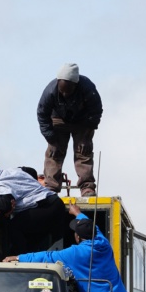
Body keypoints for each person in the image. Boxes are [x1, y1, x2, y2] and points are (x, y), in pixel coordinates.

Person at [37, 63, 103, 197]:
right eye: (62, 91)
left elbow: (96, 112)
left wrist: (86, 136)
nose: (65, 94)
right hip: (58, 119)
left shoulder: (88, 88)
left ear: (76, 84)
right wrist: (51, 138)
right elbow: (42, 115)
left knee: (83, 152)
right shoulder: (50, 91)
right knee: (54, 153)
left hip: (82, 121)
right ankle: (51, 188)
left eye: (68, 91)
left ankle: (87, 188)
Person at [0, 163, 70, 255]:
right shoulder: (11, 171)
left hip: (45, 207)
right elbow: (31, 171)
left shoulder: (0, 185)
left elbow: (5, 205)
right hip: (55, 204)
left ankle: (17, 258)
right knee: (31, 241)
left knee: (13, 226)